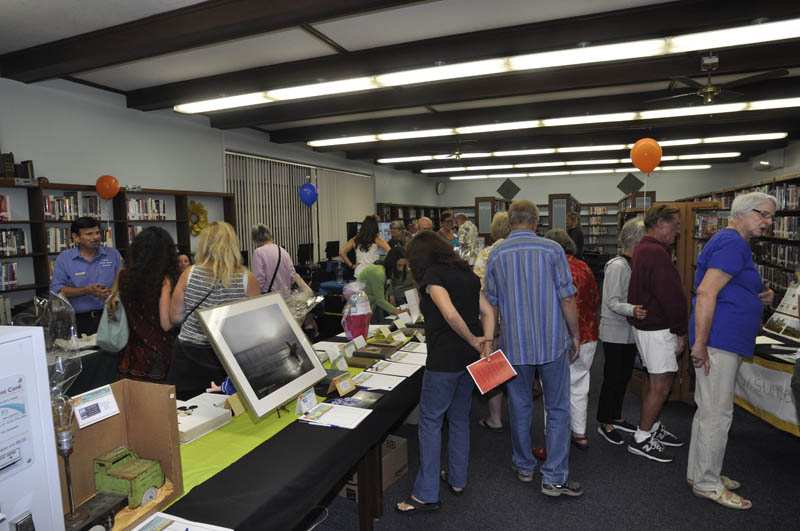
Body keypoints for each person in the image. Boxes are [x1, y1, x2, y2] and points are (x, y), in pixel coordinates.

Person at [484, 200, 583, 498]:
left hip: (515, 345)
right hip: (552, 342)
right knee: (557, 408)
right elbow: (567, 298)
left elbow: (491, 301)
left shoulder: (496, 254)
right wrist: (575, 334)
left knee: (520, 405)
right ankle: (553, 477)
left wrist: (493, 339)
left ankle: (524, 465)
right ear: (536, 222)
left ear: (510, 222)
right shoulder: (552, 250)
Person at [687, 192, 777, 510]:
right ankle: (708, 483)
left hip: (722, 339)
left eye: (770, 216)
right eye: (762, 214)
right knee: (717, 414)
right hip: (719, 341)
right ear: (739, 213)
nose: (768, 222)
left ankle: (699, 473)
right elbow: (706, 291)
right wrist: (699, 343)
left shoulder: (733, 243)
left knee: (708, 409)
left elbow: (731, 286)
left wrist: (759, 295)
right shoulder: (732, 244)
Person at [395, 231, 494, 514]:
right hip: (468, 361)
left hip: (444, 361)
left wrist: (474, 340)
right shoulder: (467, 275)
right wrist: (484, 341)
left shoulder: (432, 278)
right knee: (460, 417)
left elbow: (450, 315)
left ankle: (426, 493)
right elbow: (488, 311)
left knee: (430, 422)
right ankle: (458, 479)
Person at [168, 221, 260, 400]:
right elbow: (253, 328)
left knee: (187, 414)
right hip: (226, 357)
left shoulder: (189, 273)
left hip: (188, 356)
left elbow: (175, 317)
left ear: (203, 245)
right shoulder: (247, 279)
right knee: (226, 412)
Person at [627, 205, 687, 463]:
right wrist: (681, 330)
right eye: (674, 225)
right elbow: (670, 296)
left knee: (655, 381)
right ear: (660, 224)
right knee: (661, 384)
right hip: (659, 329)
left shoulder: (643, 248)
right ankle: (642, 437)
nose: (677, 231)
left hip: (648, 328)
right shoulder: (656, 253)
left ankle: (651, 427)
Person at [545, 229, 600, 450]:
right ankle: (579, 433)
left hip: (558, 337)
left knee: (553, 390)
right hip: (587, 334)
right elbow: (595, 299)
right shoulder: (584, 267)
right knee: (579, 384)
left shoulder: (549, 269)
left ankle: (554, 440)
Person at [596, 218, 648, 445]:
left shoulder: (632, 264)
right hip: (614, 332)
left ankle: (615, 416)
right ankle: (604, 421)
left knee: (624, 377)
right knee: (612, 378)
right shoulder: (617, 266)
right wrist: (634, 309)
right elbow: (612, 301)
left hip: (628, 331)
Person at [114, 227, 179, 381]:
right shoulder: (165, 280)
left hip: (130, 353)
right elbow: (166, 324)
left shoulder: (123, 276)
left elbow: (114, 309)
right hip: (160, 354)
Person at [51, 216, 122, 336]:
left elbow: (124, 280)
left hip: (111, 315)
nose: (95, 237)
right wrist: (86, 290)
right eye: (89, 234)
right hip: (80, 320)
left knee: (114, 352)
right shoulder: (64, 259)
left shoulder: (113, 254)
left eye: (98, 233)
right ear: (76, 237)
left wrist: (113, 293)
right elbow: (58, 290)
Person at [472, 212, 510, 431]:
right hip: (518, 321)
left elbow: (479, 289)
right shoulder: (521, 251)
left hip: (493, 320)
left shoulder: (487, 253)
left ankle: (495, 417)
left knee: (493, 368)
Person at [251, 224, 311, 295]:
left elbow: (259, 280)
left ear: (255, 238)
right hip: (286, 296)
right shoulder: (283, 250)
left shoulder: (258, 252)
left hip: (269, 297)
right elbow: (292, 277)